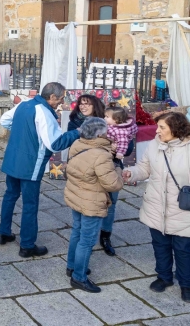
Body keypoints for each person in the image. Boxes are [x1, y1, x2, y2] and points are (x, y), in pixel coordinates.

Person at [0, 82, 80, 257]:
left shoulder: (25, 104)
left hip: (13, 159)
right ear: (51, 97)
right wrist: (77, 132)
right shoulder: (44, 112)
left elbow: (4, 120)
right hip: (30, 164)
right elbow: (55, 143)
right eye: (60, 98)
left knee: (10, 195)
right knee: (30, 204)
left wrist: (24, 134)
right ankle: (27, 245)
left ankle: (3, 232)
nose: (61, 101)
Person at [123, 113, 190, 303]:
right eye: (158, 127)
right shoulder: (155, 144)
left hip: (183, 208)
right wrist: (131, 173)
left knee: (184, 249)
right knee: (160, 245)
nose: (157, 131)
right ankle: (164, 277)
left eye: (162, 127)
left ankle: (186, 284)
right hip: (155, 204)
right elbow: (144, 168)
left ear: (176, 129)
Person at [64, 117, 123, 293]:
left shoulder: (77, 145)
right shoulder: (101, 155)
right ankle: (79, 277)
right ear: (99, 134)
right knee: (87, 240)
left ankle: (71, 266)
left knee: (76, 232)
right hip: (92, 201)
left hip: (76, 195)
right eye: (105, 131)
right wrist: (118, 169)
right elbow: (112, 184)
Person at [100, 106, 139, 255]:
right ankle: (87, 237)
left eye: (87, 104)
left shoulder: (121, 128)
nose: (83, 106)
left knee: (111, 202)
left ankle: (105, 236)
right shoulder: (79, 120)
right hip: (94, 166)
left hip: (113, 166)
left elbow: (128, 148)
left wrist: (118, 150)